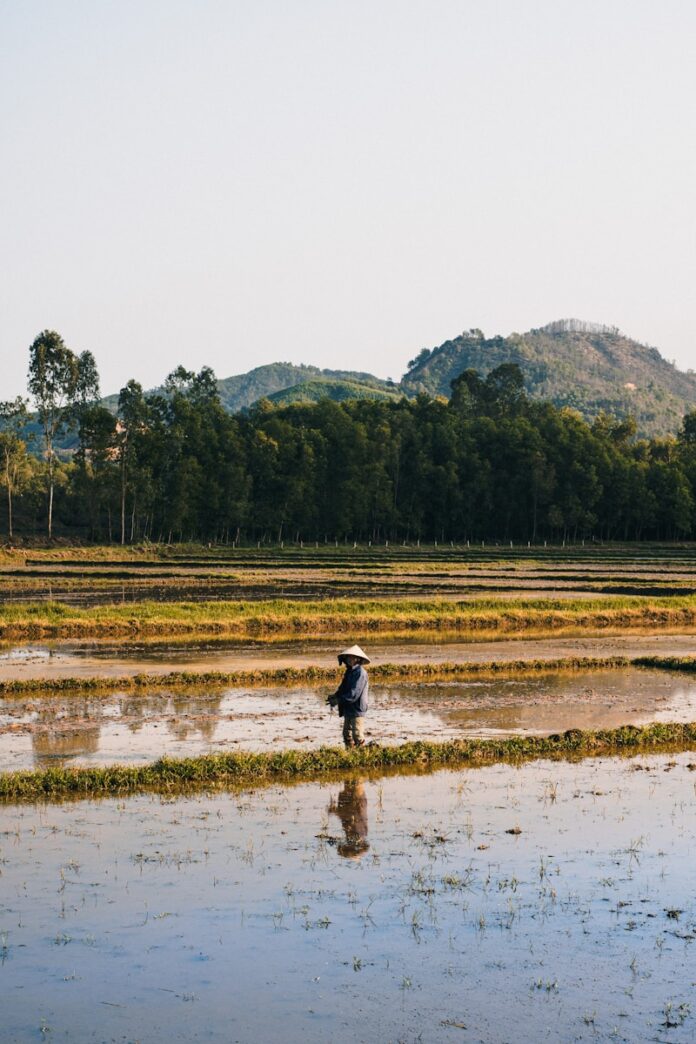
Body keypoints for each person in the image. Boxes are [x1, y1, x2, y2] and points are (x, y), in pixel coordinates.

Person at [327, 644, 370, 748]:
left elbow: (353, 694)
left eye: (351, 657)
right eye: (348, 657)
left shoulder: (360, 673)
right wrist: (335, 696)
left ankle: (363, 755)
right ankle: (350, 753)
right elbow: (343, 688)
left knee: (357, 734)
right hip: (348, 707)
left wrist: (338, 700)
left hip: (357, 708)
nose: (349, 659)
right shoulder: (349, 672)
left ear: (357, 659)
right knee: (347, 734)